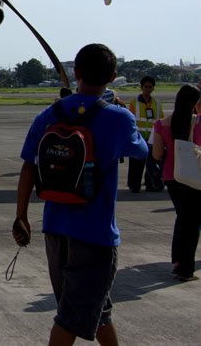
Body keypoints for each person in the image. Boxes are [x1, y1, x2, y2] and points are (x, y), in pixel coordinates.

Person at [14, 43, 147, 345]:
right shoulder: (118, 118)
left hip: (55, 230)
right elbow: (141, 150)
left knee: (97, 311)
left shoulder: (49, 114)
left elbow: (28, 167)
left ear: (76, 73)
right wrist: (125, 114)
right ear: (112, 77)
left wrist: (21, 216)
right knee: (71, 318)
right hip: (95, 235)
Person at [151, 84, 201, 281]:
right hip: (194, 177)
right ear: (195, 103)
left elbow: (156, 155)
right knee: (192, 222)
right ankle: (186, 269)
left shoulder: (161, 124)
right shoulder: (198, 122)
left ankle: (178, 261)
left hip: (172, 177)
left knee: (182, 218)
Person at [127, 76, 164, 192]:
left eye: (150, 87)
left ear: (153, 88)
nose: (148, 89)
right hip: (138, 137)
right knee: (136, 162)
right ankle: (134, 185)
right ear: (142, 87)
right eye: (146, 87)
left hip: (152, 138)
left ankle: (151, 184)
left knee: (151, 163)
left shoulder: (157, 104)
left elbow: (161, 120)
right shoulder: (134, 102)